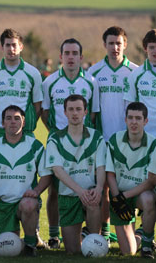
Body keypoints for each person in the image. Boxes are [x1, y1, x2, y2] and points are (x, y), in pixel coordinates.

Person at [42, 38, 100, 247]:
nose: (71, 57)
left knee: (90, 184)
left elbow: (93, 114)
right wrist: (58, 135)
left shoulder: (92, 82)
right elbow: (45, 111)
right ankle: (53, 234)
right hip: (59, 141)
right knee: (54, 189)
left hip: (84, 142)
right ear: (60, 57)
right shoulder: (49, 82)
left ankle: (97, 233)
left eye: (75, 53)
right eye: (67, 53)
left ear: (81, 57)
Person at [88, 26, 138, 244]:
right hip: (104, 141)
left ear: (125, 44)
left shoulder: (135, 72)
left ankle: (132, 232)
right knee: (105, 189)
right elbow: (91, 111)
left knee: (129, 187)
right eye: (111, 43)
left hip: (129, 142)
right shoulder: (94, 73)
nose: (115, 47)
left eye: (119, 43)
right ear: (104, 45)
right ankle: (105, 234)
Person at [0, 105, 52, 256]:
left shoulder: (35, 146)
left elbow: (47, 175)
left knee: (28, 204)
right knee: (8, 247)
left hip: (25, 202)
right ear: (3, 123)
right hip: (3, 205)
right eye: (8, 118)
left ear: (24, 122)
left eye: (17, 118)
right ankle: (30, 240)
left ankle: (30, 244)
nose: (13, 122)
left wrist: (36, 191)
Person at [45, 94, 106, 254]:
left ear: (85, 112)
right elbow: (57, 171)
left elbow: (101, 167)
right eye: (70, 109)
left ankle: (93, 238)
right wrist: (80, 192)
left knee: (93, 202)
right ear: (64, 112)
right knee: (72, 251)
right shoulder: (55, 139)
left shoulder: (96, 137)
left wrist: (99, 189)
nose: (75, 113)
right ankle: (82, 234)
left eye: (78, 109)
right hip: (68, 196)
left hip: (90, 194)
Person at [106, 102, 156, 258]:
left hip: (140, 193)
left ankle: (147, 244)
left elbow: (151, 181)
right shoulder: (115, 139)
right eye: (131, 118)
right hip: (119, 194)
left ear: (145, 121)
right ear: (126, 120)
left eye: (138, 118)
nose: (134, 122)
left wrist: (124, 196)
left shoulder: (153, 143)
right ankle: (139, 235)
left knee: (149, 199)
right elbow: (110, 173)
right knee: (128, 251)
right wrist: (117, 198)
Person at [0, 28, 43, 141]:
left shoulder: (33, 73)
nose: (11, 49)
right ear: (2, 47)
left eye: (14, 45)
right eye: (8, 45)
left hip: (24, 134)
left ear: (21, 47)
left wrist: (26, 123)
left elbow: (38, 105)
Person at [124, 29, 156, 137]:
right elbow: (129, 106)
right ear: (145, 48)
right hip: (144, 136)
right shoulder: (136, 74)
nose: (155, 51)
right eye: (151, 47)